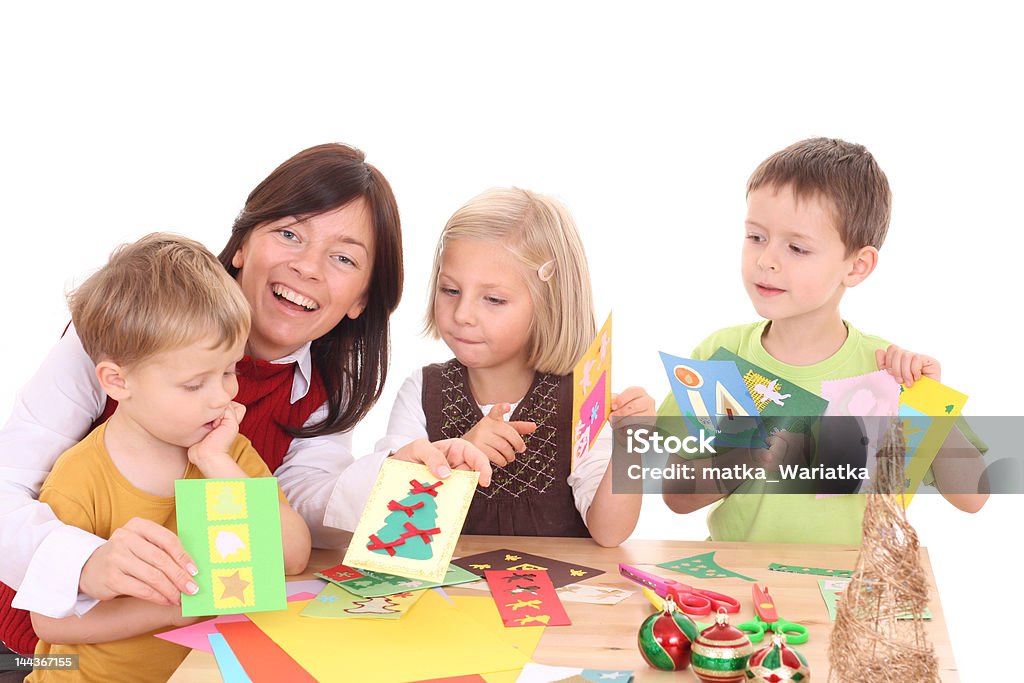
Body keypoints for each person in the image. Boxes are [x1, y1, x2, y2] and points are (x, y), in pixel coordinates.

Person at [0, 144, 490, 658]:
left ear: (362, 298)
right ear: (241, 247)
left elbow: (301, 507)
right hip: (40, 650)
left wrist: (392, 474)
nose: (308, 267)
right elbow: (9, 481)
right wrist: (82, 562)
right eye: (289, 234)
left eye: (343, 257)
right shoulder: (126, 331)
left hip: (186, 655)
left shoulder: (320, 384)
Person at [661, 137, 988, 544]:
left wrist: (930, 400)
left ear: (857, 266)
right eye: (756, 237)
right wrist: (742, 458)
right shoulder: (719, 358)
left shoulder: (886, 369)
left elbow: (972, 497)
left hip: (848, 592)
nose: (767, 260)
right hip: (738, 584)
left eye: (797, 247)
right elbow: (675, 496)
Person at [25, 234, 311, 682]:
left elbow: (293, 556)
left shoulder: (228, 451)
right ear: (117, 382)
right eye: (195, 384)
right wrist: (173, 610)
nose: (223, 396)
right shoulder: (80, 479)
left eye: (229, 371)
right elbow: (50, 622)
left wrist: (219, 466)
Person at [375, 188, 650, 547]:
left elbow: (610, 532)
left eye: (493, 299)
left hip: (559, 598)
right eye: (450, 290)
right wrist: (458, 453)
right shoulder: (422, 392)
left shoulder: (583, 397)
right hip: (450, 599)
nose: (462, 315)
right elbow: (388, 523)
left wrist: (634, 443)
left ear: (548, 304)